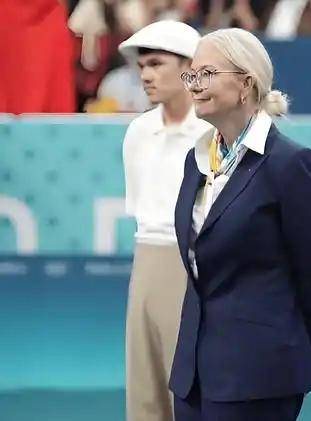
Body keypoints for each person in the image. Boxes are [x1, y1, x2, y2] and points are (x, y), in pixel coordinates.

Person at [170, 28, 311, 421]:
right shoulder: (197, 160)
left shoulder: (290, 164)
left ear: (245, 84)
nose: (194, 84)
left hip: (260, 377)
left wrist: (293, 356)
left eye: (207, 73)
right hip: (193, 376)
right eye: (191, 74)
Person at [119, 20, 212, 421]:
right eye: (142, 66)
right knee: (144, 384)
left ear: (190, 67)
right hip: (145, 259)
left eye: (156, 64)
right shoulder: (138, 132)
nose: (145, 75)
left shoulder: (212, 132)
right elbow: (141, 208)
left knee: (190, 386)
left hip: (196, 261)